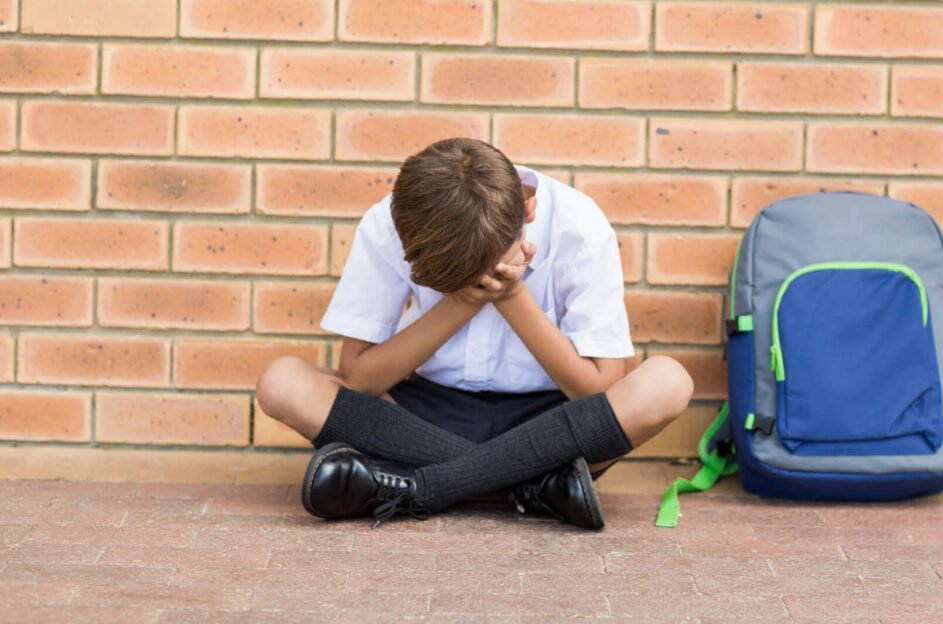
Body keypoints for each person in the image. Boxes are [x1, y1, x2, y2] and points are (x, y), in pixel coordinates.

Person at [255, 137, 694, 529]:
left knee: (666, 382)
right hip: (423, 417)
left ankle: (422, 486)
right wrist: (462, 301)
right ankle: (535, 486)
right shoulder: (396, 222)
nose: (481, 281)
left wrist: (511, 297)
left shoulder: (579, 224)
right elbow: (359, 378)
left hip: (553, 420)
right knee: (282, 383)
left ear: (528, 208)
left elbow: (599, 389)